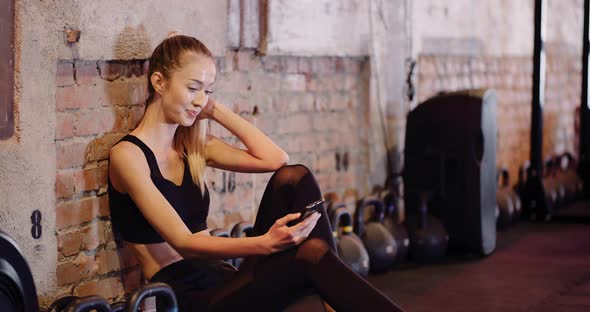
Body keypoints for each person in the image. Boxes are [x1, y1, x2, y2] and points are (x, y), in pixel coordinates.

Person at [108, 34, 404, 311]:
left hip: (228, 278)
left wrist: (215, 110)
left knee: (294, 177)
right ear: (159, 82)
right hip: (188, 295)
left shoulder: (194, 146)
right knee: (311, 253)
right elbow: (184, 242)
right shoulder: (128, 156)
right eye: (193, 88)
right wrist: (264, 244)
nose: (200, 100)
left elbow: (276, 159)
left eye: (208, 91)